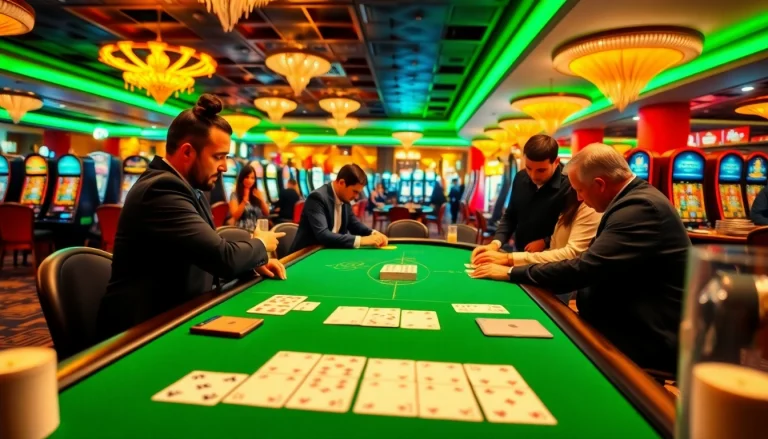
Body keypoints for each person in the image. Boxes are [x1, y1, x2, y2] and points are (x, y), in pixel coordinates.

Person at [471, 144, 690, 373]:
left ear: (599, 184)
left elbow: (585, 268)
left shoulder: (640, 209)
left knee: (548, 362)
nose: (579, 198)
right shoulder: (632, 201)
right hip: (628, 322)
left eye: (580, 191)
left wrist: (509, 272)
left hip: (645, 337)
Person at [98, 94, 286, 340]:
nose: (225, 168)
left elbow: (206, 252)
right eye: (218, 157)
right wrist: (261, 244)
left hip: (176, 315)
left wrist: (251, 262)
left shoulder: (188, 187)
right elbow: (222, 257)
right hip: (139, 333)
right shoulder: (161, 189)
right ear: (187, 152)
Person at [471, 134, 571, 261]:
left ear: (556, 162)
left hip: (550, 257)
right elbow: (510, 215)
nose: (533, 175)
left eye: (541, 170)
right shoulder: (520, 177)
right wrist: (495, 243)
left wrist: (545, 241)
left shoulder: (569, 186)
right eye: (529, 168)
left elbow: (570, 228)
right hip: (518, 252)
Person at [473, 187, 601, 267]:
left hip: (558, 273)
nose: (534, 175)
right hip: (541, 264)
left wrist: (509, 260)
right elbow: (510, 215)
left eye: (580, 189)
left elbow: (571, 254)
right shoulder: (572, 199)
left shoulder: (589, 206)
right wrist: (497, 246)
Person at [291, 164, 388, 252]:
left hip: (327, 251)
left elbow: (354, 225)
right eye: (355, 191)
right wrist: (362, 240)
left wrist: (373, 233)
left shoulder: (344, 198)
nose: (357, 196)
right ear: (342, 183)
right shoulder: (317, 198)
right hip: (305, 254)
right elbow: (323, 235)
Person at [228, 165, 269, 231]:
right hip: (241, 232)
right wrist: (244, 201)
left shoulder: (257, 193)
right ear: (242, 178)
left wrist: (261, 199)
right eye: (247, 177)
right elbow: (235, 217)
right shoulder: (234, 195)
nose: (250, 180)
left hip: (257, 232)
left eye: (252, 178)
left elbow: (267, 213)